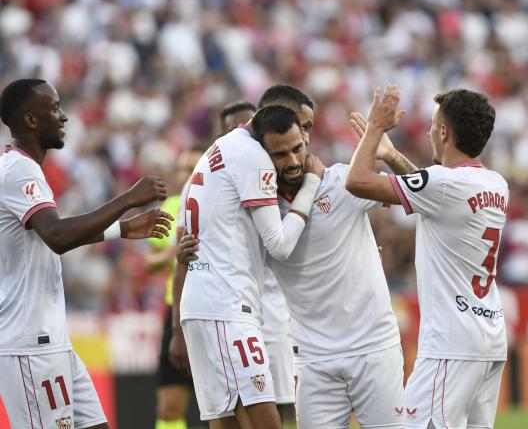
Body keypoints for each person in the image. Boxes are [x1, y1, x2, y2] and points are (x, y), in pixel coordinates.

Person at [177, 104, 419, 428]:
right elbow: (231, 243)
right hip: (313, 360)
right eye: (280, 155)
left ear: (306, 137)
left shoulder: (341, 181)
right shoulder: (260, 208)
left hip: (373, 348)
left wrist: (390, 156)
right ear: (263, 154)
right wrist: (190, 252)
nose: (292, 161)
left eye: (298, 148)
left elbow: (419, 192)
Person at [0, 79, 173, 429]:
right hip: (30, 344)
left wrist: (121, 229)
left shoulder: (22, 168)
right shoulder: (18, 171)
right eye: (54, 108)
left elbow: (52, 235)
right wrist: (127, 199)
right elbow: (58, 236)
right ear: (31, 120)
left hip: (53, 341)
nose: (63, 117)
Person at [346, 85, 508, 429]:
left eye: (434, 125)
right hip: (490, 338)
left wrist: (375, 128)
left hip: (451, 342)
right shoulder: (496, 184)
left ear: (445, 132)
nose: (430, 131)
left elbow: (356, 180)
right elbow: (433, 193)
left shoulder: (444, 185)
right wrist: (391, 157)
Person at [170, 104, 324, 429]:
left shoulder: (218, 153)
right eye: (283, 151)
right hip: (227, 306)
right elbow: (280, 246)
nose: (293, 159)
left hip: (208, 303)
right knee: (267, 417)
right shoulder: (251, 156)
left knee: (226, 420)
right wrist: (310, 185)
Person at [147, 144, 206, 429]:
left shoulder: (216, 202)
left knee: (225, 403)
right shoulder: (170, 208)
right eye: (182, 168)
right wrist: (172, 253)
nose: (185, 174)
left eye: (191, 168)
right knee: (170, 406)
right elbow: (150, 263)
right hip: (176, 310)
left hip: (211, 308)